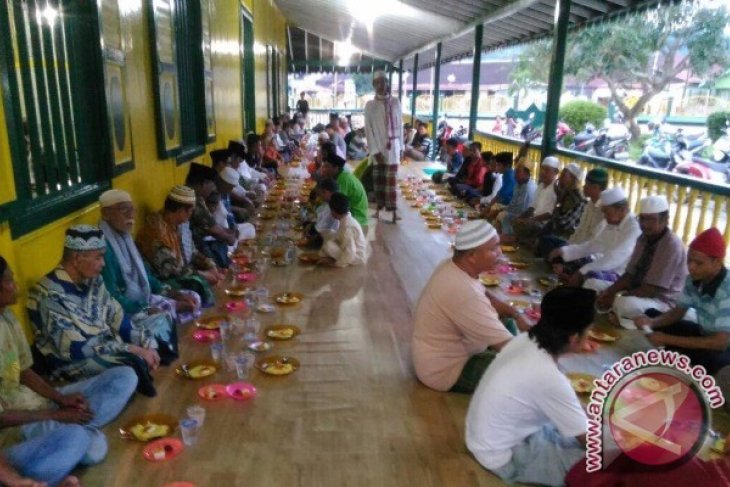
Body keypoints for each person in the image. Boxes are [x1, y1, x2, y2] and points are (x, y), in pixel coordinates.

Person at [0, 255, 137, 486]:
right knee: (80, 442)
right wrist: (56, 416)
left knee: (125, 375)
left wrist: (61, 399)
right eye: (10, 281)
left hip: (38, 405)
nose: (16, 285)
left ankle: (77, 427)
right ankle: (74, 434)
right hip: (14, 432)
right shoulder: (49, 293)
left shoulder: (7, 317)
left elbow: (23, 370)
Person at [466, 287, 595, 486]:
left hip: (488, 439)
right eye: (588, 332)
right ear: (574, 338)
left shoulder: (527, 339)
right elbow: (589, 443)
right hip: (506, 457)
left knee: (597, 429)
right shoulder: (548, 376)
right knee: (607, 466)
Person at [27, 226, 163, 397]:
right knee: (129, 366)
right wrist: (132, 349)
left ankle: (143, 366)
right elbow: (76, 349)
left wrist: (146, 343)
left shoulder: (94, 280)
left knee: (159, 324)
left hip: (108, 345)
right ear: (77, 259)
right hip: (73, 363)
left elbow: (117, 317)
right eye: (98, 257)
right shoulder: (47, 295)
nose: (103, 263)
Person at [412, 221, 524, 393]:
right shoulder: (463, 291)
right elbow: (511, 350)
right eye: (493, 249)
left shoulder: (452, 266)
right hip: (446, 371)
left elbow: (484, 294)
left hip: (436, 357)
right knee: (520, 370)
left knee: (507, 322)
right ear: (471, 256)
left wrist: (516, 314)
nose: (500, 253)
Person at [635, 228, 730, 374]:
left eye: (698, 263)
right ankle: (682, 357)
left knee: (713, 359)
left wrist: (668, 339)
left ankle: (684, 358)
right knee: (652, 314)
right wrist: (651, 323)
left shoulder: (727, 289)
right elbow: (678, 312)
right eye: (689, 260)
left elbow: (720, 342)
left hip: (723, 347)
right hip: (705, 334)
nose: (691, 267)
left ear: (717, 263)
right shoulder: (693, 279)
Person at [99, 189, 200, 326]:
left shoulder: (125, 237)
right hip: (124, 309)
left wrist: (172, 293)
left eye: (132, 210)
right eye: (124, 210)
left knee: (193, 296)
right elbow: (112, 297)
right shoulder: (103, 248)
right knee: (160, 319)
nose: (131, 215)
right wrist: (145, 308)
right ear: (106, 214)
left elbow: (145, 276)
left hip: (143, 297)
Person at [593, 195, 687, 326]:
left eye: (651, 220)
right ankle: (614, 316)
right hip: (638, 291)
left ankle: (622, 320)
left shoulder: (671, 245)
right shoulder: (643, 238)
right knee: (592, 285)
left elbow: (651, 289)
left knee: (623, 303)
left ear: (665, 220)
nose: (644, 224)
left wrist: (617, 296)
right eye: (642, 219)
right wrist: (610, 292)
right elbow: (629, 274)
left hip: (661, 301)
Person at [136, 185, 221, 306]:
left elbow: (193, 253)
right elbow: (171, 269)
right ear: (181, 210)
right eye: (190, 211)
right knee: (197, 284)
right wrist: (204, 275)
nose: (191, 215)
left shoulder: (179, 225)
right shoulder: (154, 230)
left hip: (181, 272)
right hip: (163, 280)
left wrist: (210, 265)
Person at [549, 187, 641, 287]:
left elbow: (614, 258)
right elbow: (593, 245)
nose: (605, 216)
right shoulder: (612, 224)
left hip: (618, 273)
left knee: (590, 278)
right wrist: (563, 251)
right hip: (602, 264)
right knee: (566, 261)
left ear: (621, 210)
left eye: (607, 212)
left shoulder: (634, 228)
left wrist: (582, 272)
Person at [537, 167, 608, 259]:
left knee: (558, 254)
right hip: (575, 245)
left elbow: (591, 242)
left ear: (596, 187)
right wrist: (567, 248)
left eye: (587, 184)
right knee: (547, 241)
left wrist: (570, 251)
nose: (583, 186)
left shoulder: (603, 211)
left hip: (588, 254)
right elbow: (578, 231)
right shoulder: (589, 205)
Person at [364, 70, 403, 224]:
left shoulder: (396, 102)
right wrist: (374, 151)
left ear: (387, 83)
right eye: (378, 82)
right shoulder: (370, 105)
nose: (382, 85)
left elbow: (399, 125)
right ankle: (379, 211)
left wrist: (402, 147)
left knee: (391, 182)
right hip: (378, 148)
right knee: (379, 181)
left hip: (393, 147)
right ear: (374, 85)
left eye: (384, 81)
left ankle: (393, 212)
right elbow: (368, 129)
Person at [524, 162, 586, 249]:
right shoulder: (566, 192)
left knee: (545, 239)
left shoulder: (576, 198)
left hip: (566, 234)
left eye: (564, 176)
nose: (560, 178)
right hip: (557, 227)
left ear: (573, 179)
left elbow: (564, 224)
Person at [509, 156, 560, 242]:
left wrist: (531, 220)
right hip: (535, 219)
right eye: (542, 169)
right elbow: (532, 206)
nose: (543, 172)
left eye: (547, 170)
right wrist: (520, 217)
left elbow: (550, 214)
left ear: (556, 172)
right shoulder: (541, 186)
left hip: (544, 223)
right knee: (515, 222)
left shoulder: (556, 189)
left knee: (523, 226)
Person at [317, 193, 367, 267]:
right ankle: (334, 257)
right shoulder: (345, 218)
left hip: (355, 257)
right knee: (328, 233)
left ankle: (340, 260)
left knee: (328, 245)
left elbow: (351, 251)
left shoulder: (347, 227)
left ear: (333, 211)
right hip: (349, 249)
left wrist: (335, 264)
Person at [320, 154, 369, 230]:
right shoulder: (342, 176)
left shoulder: (343, 180)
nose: (324, 169)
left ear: (336, 168)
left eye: (327, 166)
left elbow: (336, 206)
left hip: (357, 218)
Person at [491, 165, 536, 235]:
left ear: (526, 174)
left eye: (518, 172)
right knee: (497, 208)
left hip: (523, 215)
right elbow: (513, 202)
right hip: (513, 210)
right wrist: (504, 208)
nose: (515, 175)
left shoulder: (528, 188)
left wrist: (504, 210)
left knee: (503, 215)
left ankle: (504, 236)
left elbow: (521, 209)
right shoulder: (518, 184)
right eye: (515, 172)